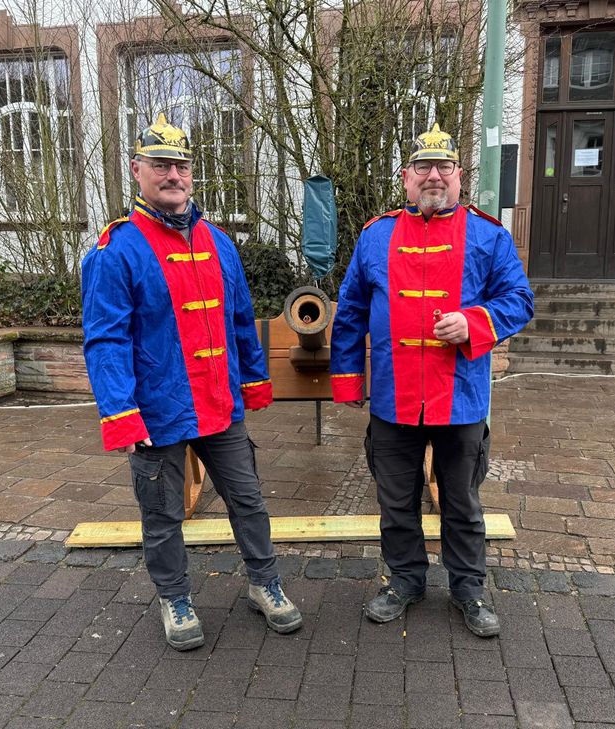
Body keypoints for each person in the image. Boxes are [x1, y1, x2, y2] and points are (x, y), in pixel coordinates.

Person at [81, 113, 301, 650]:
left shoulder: (220, 243)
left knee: (248, 501)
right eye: (160, 164)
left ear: (192, 174)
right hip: (156, 411)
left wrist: (253, 380)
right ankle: (174, 598)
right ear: (138, 171)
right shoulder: (115, 250)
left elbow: (240, 318)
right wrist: (120, 412)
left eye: (180, 165)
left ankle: (265, 583)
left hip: (219, 404)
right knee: (162, 516)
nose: (172, 174)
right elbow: (105, 341)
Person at [330, 124, 534, 637]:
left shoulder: (489, 235)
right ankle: (404, 581)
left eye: (444, 167)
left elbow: (519, 301)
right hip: (395, 399)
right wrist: (350, 381)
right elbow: (351, 311)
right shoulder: (376, 235)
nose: (434, 176)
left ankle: (468, 588)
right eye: (423, 168)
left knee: (462, 502)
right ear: (406, 178)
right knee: (395, 500)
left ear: (459, 177)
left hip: (461, 398)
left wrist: (474, 322)